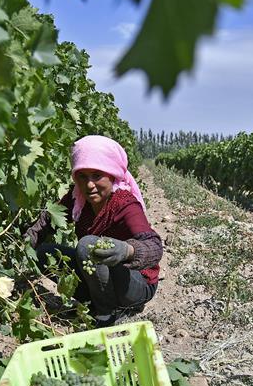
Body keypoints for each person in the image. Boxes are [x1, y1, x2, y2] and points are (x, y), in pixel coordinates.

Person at [24, 135, 162, 327]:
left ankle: (107, 313)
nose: (89, 185)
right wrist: (23, 243)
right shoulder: (77, 198)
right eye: (82, 176)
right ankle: (96, 303)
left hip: (135, 283)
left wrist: (126, 250)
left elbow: (154, 246)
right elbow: (47, 220)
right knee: (44, 254)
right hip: (100, 279)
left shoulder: (125, 204)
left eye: (97, 176)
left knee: (88, 245)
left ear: (111, 173)